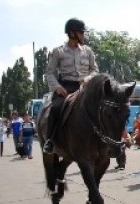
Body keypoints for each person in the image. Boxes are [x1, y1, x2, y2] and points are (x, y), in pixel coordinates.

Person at [43, 18, 99, 153]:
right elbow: (49, 73)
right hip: (65, 88)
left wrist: (88, 78)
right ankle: (49, 140)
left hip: (85, 87)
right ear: (72, 33)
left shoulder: (88, 51)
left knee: (104, 107)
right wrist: (57, 87)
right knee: (56, 108)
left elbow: (95, 70)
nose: (83, 35)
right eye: (81, 32)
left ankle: (107, 140)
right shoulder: (58, 51)